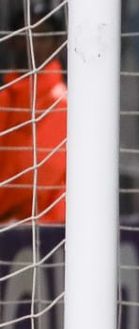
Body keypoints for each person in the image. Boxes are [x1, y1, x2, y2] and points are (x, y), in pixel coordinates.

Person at [0, 3, 67, 224]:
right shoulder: (4, 100)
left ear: (57, 43)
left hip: (49, 231)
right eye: (26, 34)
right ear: (12, 41)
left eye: (42, 36)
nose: (32, 44)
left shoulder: (67, 106)